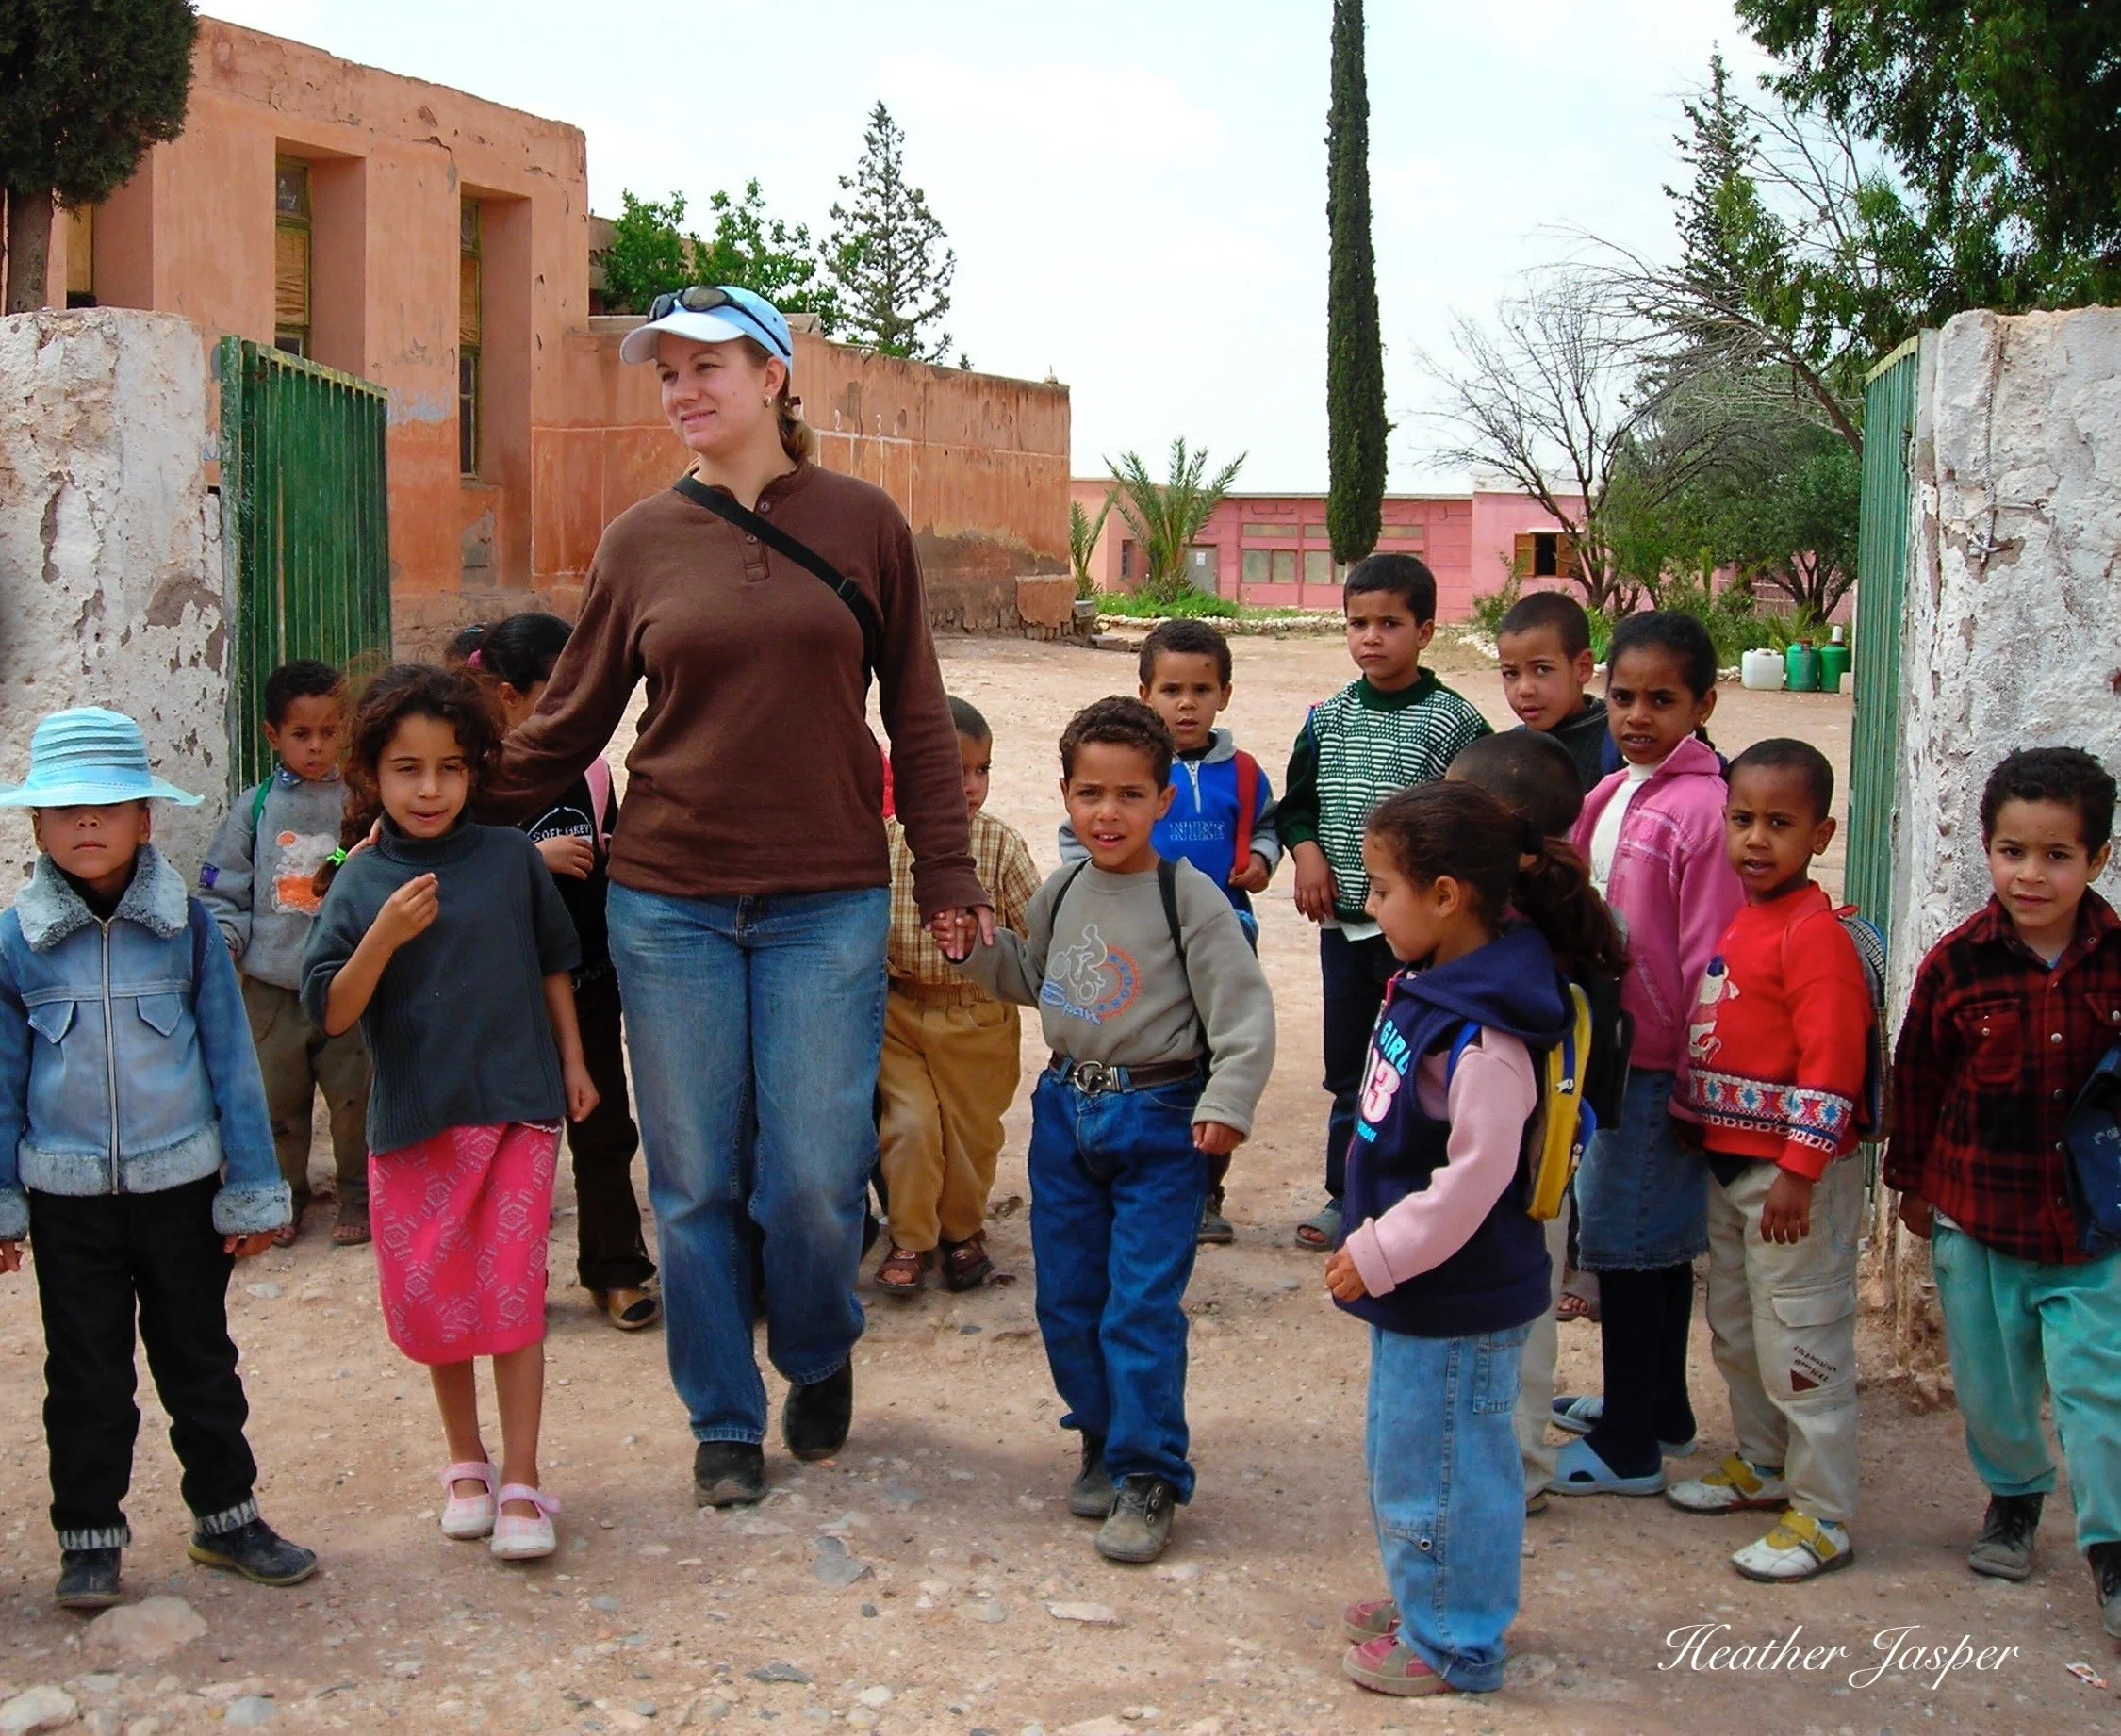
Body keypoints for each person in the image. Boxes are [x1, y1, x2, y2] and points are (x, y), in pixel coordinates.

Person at [477, 285, 990, 1510]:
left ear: (773, 376)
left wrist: (948, 869)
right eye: (667, 372)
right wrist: (429, 812)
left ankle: (813, 1349)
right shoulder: (640, 540)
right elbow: (570, 720)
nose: (683, 389)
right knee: (696, 1179)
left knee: (811, 1176)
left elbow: (916, 711)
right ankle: (721, 1414)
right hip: (670, 900)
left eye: (708, 365)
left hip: (826, 896)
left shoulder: (864, 522)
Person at [0, 708, 316, 1610]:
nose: (87, 824)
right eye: (66, 810)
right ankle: (89, 1540)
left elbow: (231, 1062)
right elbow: (4, 1078)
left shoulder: (187, 930)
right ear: (36, 827)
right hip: (69, 1205)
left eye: (108, 806)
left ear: (145, 818)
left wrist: (253, 1190)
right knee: (85, 1374)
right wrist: (3, 1204)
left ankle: (227, 1519)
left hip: (180, 1192)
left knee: (199, 1361)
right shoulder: (17, 941)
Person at [954, 697, 1274, 1565]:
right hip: (1067, 1112)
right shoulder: (1060, 891)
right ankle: (1100, 1437)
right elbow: (1032, 978)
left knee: (1138, 1304)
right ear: (1065, 793)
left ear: (1163, 800)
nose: (1108, 813)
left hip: (1160, 1121)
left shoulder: (1189, 898)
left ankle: (1148, 1473)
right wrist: (973, 950)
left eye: (1131, 795)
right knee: (1067, 1298)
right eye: (1090, 793)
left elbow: (1242, 1013)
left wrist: (1226, 1104)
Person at [303, 665, 596, 1564]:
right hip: (417, 1119)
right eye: (408, 769)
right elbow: (333, 1010)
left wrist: (575, 1064)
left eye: (450, 768)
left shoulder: (510, 859)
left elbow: (552, 963)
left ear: (474, 770)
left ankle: (523, 1477)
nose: (430, 789)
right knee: (436, 1297)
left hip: (515, 1109)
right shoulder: (359, 882)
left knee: (512, 1294)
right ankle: (466, 1466)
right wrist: (384, 935)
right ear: (370, 774)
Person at [1325, 780, 1606, 1697]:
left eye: (1382, 888)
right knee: (1410, 1453)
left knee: (1445, 1466)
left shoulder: (1488, 1033)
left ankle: (1454, 1640)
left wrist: (1378, 1251)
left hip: (1455, 1290)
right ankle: (1428, 1598)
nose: (1371, 906)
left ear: (1446, 896)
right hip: (1423, 1290)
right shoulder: (1443, 980)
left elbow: (1476, 1180)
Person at [1887, 746, 2121, 1637]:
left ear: (2098, 859)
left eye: (2057, 855)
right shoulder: (1956, 966)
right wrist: (1910, 1183)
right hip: (1977, 1216)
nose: (2031, 875)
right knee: (1992, 1388)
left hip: (2094, 1228)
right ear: (1986, 849)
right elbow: (1918, 1078)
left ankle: (2111, 1547)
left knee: (2100, 1388)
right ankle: (2015, 1497)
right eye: (2012, 851)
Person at [1667, 739, 1871, 1581]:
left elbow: (1833, 1062)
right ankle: (1762, 1462)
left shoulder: (1815, 935)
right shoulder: (1748, 915)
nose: (1756, 839)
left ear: (1820, 835)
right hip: (1733, 1166)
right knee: (1742, 1328)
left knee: (1802, 1339)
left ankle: (1824, 1513)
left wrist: (1800, 1171)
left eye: (1780, 824)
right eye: (1743, 819)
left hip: (1790, 1183)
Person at [1549, 611, 1743, 1496]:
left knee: (1627, 1247)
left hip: (1660, 1062)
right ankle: (1660, 1408)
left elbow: (1711, 956)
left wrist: (1699, 1075)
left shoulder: (1705, 811)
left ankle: (1629, 1445)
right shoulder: (1612, 791)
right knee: (1648, 1241)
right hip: (1610, 1049)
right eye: (1623, 696)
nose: (1637, 716)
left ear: (1704, 704)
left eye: (1662, 700)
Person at [1279, 554, 1489, 1252]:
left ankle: (1417, 1199)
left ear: (1425, 631)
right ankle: (1347, 1195)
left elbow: (1475, 820)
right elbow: (1297, 805)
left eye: (1390, 624)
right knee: (1351, 1070)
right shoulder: (1328, 718)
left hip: (1421, 940)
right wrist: (1307, 854)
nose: (1371, 637)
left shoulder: (1453, 723)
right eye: (1357, 623)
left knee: (1419, 1064)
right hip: (1344, 931)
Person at [1443, 729, 1628, 1515]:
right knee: (1527, 1308)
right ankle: (1513, 1461)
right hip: (1545, 1163)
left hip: (1502, 1160)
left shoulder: (1497, 937)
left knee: (1496, 1310)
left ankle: (1510, 1468)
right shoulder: (1574, 918)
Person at [1060, 617, 1280, 1244]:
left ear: (1224, 695)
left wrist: (1261, 859)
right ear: (1145, 694)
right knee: (1161, 1062)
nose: (1187, 704)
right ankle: (1134, 1179)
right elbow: (1080, 840)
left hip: (1224, 939)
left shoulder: (1244, 773)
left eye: (1201, 690)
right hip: (1147, 948)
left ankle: (1205, 1191)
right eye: (1171, 690)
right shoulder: (1130, 772)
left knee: (1212, 1064)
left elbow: (1265, 825)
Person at [474, 614, 660, 1333]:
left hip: (587, 980)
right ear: (508, 697)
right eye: (555, 693)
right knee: (505, 1139)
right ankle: (503, 1279)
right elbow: (449, 874)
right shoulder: (473, 779)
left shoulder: (592, 771)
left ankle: (615, 1269)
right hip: (503, 991)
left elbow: (613, 857)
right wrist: (530, 859)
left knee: (603, 1126)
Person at [198, 660, 372, 1249]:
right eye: (302, 734)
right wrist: (225, 940)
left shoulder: (362, 804)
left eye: (330, 731)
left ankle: (359, 1196)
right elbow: (223, 892)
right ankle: (284, 1198)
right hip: (271, 991)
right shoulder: (254, 810)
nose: (317, 747)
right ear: (273, 735)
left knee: (355, 1098)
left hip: (348, 984)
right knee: (277, 1104)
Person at [874, 696, 1040, 1298]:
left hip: (979, 1019)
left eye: (982, 769)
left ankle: (962, 1232)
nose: (970, 786)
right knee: (910, 1127)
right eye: (954, 770)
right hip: (900, 1015)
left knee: (971, 1136)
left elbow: (1038, 935)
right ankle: (912, 1238)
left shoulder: (1000, 846)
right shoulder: (883, 842)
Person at [1495, 590, 1615, 794]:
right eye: (1511, 673)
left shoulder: (1616, 746)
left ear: (1583, 667)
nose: (1524, 690)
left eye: (1542, 670)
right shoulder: (1509, 750)